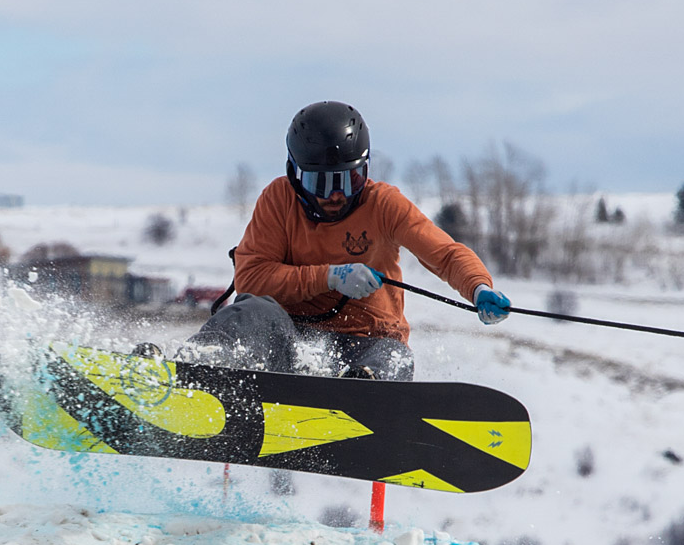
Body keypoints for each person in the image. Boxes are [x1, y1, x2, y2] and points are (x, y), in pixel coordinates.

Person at [185, 102, 511, 381]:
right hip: (291, 339)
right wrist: (330, 277)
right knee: (252, 310)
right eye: (322, 183)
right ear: (295, 175)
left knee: (395, 357)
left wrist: (478, 287)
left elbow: (446, 254)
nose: (337, 194)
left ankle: (359, 392)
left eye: (349, 179)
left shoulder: (384, 204)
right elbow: (250, 279)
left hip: (367, 343)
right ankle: (196, 369)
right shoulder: (276, 200)